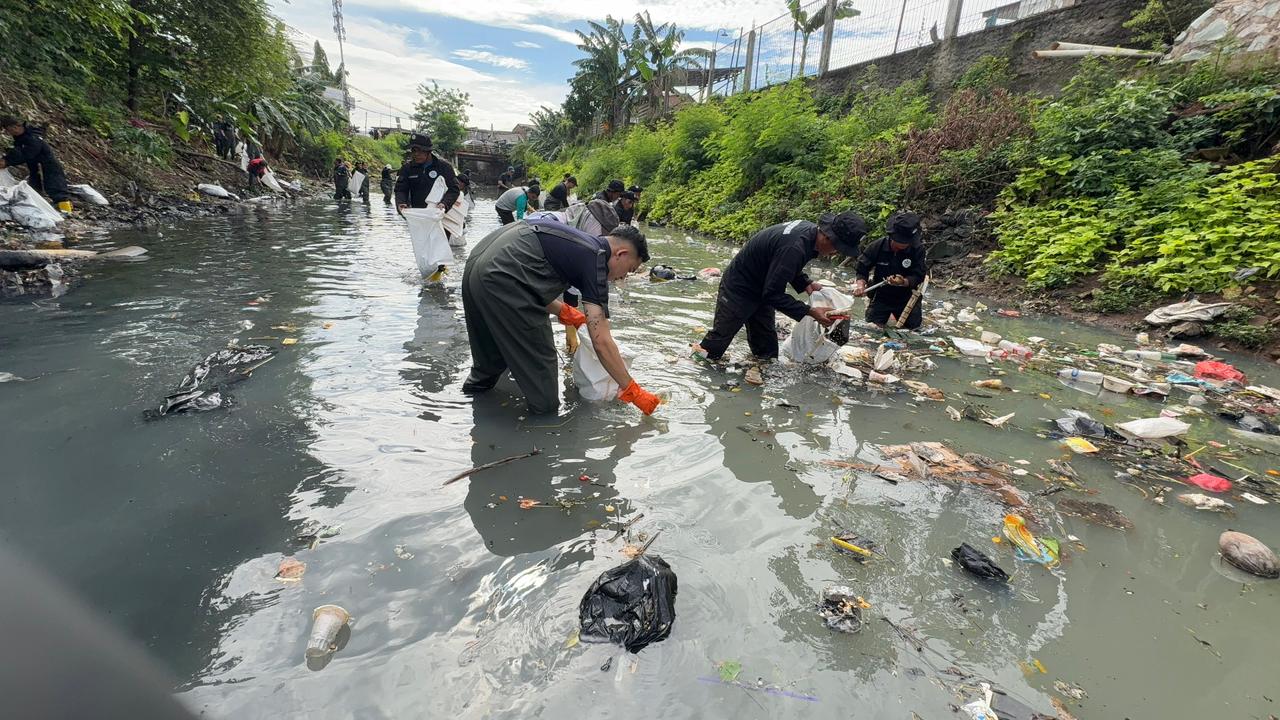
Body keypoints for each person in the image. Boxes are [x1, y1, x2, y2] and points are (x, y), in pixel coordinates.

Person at [461, 218, 660, 415]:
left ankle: (466, 409)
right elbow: (601, 342)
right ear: (621, 254)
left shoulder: (577, 242)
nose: (622, 277)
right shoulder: (596, 259)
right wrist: (632, 390)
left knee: (489, 364)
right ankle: (543, 435)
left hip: (478, 266)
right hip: (501, 277)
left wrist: (565, 312)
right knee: (544, 392)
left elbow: (526, 277)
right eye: (629, 270)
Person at [692, 212, 868, 361]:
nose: (835, 253)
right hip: (740, 287)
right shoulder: (795, 247)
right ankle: (695, 368)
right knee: (718, 341)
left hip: (764, 284)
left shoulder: (808, 233)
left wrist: (804, 282)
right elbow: (773, 293)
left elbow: (785, 265)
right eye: (837, 248)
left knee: (767, 350)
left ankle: (758, 374)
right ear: (827, 237)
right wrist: (810, 311)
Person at [853, 211, 928, 330]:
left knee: (913, 330)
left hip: (906, 297)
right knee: (872, 328)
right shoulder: (878, 246)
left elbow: (919, 275)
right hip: (881, 295)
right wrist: (861, 285)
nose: (903, 245)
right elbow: (862, 268)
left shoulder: (917, 249)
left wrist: (903, 281)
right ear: (892, 236)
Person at [0, 116, 72, 213]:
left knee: (55, 184)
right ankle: (39, 205)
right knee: (35, 183)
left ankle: (66, 209)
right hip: (35, 165)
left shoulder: (32, 137)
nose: (9, 133)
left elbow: (27, 153)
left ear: (15, 127)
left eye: (9, 130)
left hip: (46, 164)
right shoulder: (22, 137)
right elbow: (20, 151)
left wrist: (8, 161)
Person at [394, 133, 461, 212]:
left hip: (441, 213)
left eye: (420, 151)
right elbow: (400, 190)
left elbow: (453, 190)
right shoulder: (407, 169)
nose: (416, 154)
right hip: (417, 213)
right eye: (414, 151)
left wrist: (444, 204)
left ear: (429, 151)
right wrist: (401, 203)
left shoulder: (444, 167)